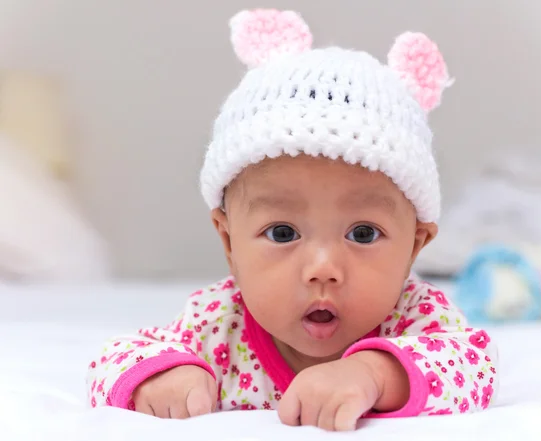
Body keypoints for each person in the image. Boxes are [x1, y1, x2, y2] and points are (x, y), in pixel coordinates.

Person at [86, 8, 498, 432]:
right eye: (283, 233)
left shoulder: (414, 318)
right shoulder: (217, 323)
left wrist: (375, 375)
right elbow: (113, 358)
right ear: (229, 242)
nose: (323, 268)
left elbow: (475, 367)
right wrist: (158, 376)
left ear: (414, 245)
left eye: (363, 233)